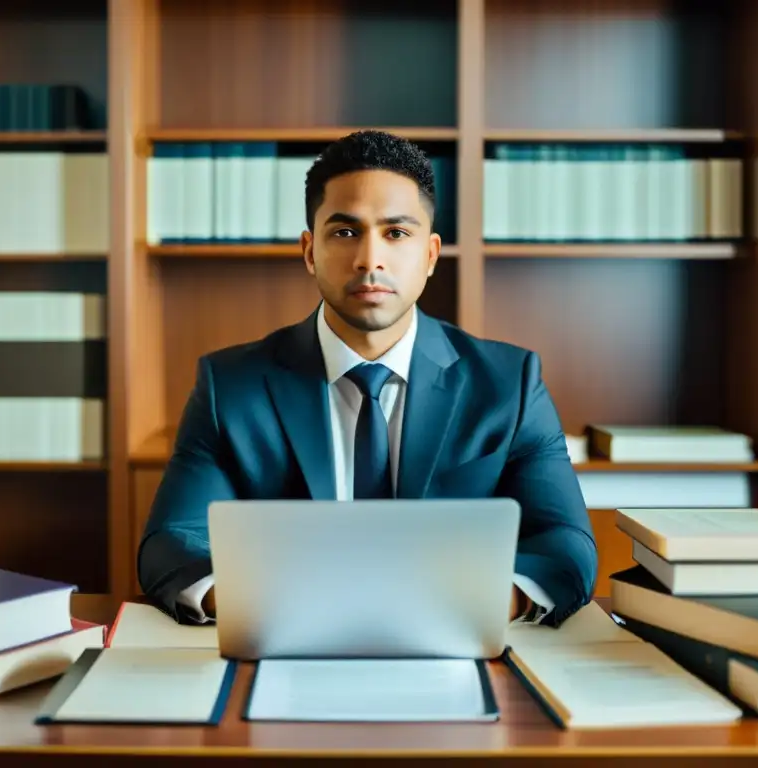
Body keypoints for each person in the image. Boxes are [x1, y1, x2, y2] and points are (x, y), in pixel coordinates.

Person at [137, 130, 597, 629]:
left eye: (396, 234)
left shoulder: (510, 385)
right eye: (346, 232)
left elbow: (565, 542)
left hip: (456, 638)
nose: (369, 260)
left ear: (431, 255)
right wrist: (248, 598)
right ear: (310, 251)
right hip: (286, 638)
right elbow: (171, 540)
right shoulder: (230, 386)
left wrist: (486, 600)